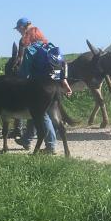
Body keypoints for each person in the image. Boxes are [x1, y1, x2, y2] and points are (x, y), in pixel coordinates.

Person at [12, 17, 72, 154]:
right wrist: (64, 82)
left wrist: (17, 84)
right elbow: (62, 65)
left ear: (28, 36)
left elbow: (24, 73)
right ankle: (27, 139)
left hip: (39, 87)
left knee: (42, 115)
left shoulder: (30, 50)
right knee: (45, 114)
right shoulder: (50, 46)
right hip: (54, 85)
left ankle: (50, 146)